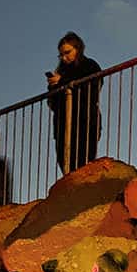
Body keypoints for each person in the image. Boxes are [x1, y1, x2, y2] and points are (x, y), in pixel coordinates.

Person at [47, 32, 103, 173]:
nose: (64, 58)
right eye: (61, 55)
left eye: (67, 52)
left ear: (78, 49)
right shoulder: (61, 71)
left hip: (85, 123)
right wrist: (53, 86)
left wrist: (62, 82)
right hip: (63, 126)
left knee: (83, 166)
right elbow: (52, 103)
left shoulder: (89, 65)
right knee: (66, 166)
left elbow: (91, 90)